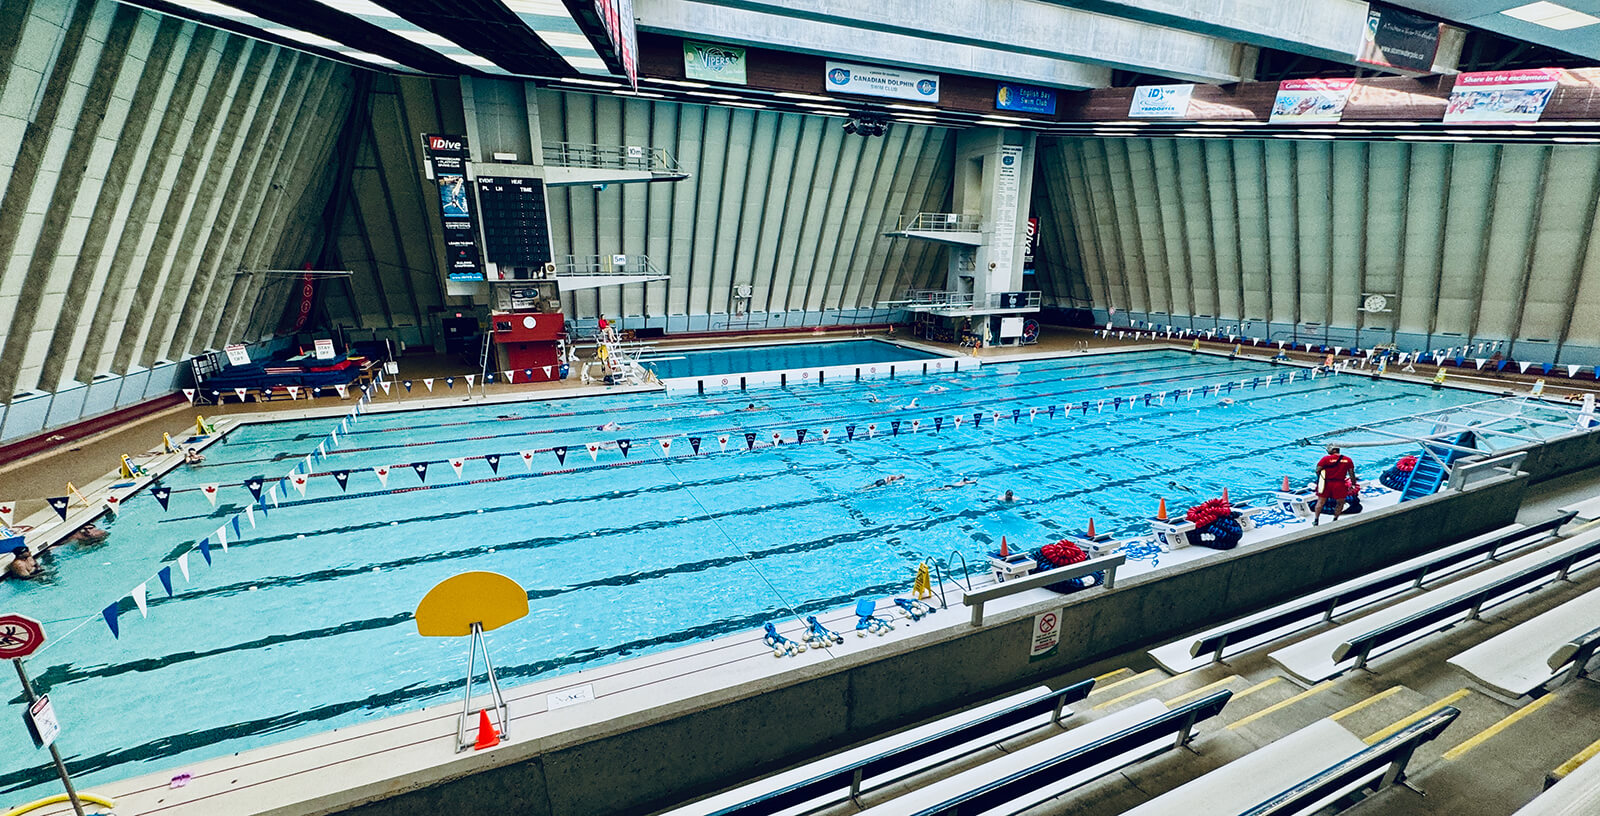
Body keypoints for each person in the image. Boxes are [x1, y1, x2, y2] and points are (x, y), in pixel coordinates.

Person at [1313, 445, 1357, 526]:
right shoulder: (1348, 459)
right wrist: (1353, 484)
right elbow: (1351, 473)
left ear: (1333, 450)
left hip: (1327, 483)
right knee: (1340, 503)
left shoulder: (1325, 459)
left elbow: (1317, 470)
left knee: (1321, 502)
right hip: (1339, 483)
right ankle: (1335, 519)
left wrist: (1321, 479)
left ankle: (1316, 520)